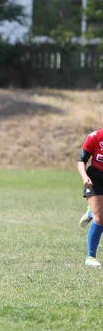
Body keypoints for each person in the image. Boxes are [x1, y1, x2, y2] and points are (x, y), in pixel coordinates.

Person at [78, 105, 103, 267]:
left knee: (99, 214)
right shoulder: (94, 138)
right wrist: (85, 177)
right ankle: (90, 258)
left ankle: (91, 212)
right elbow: (81, 161)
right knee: (101, 218)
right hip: (94, 179)